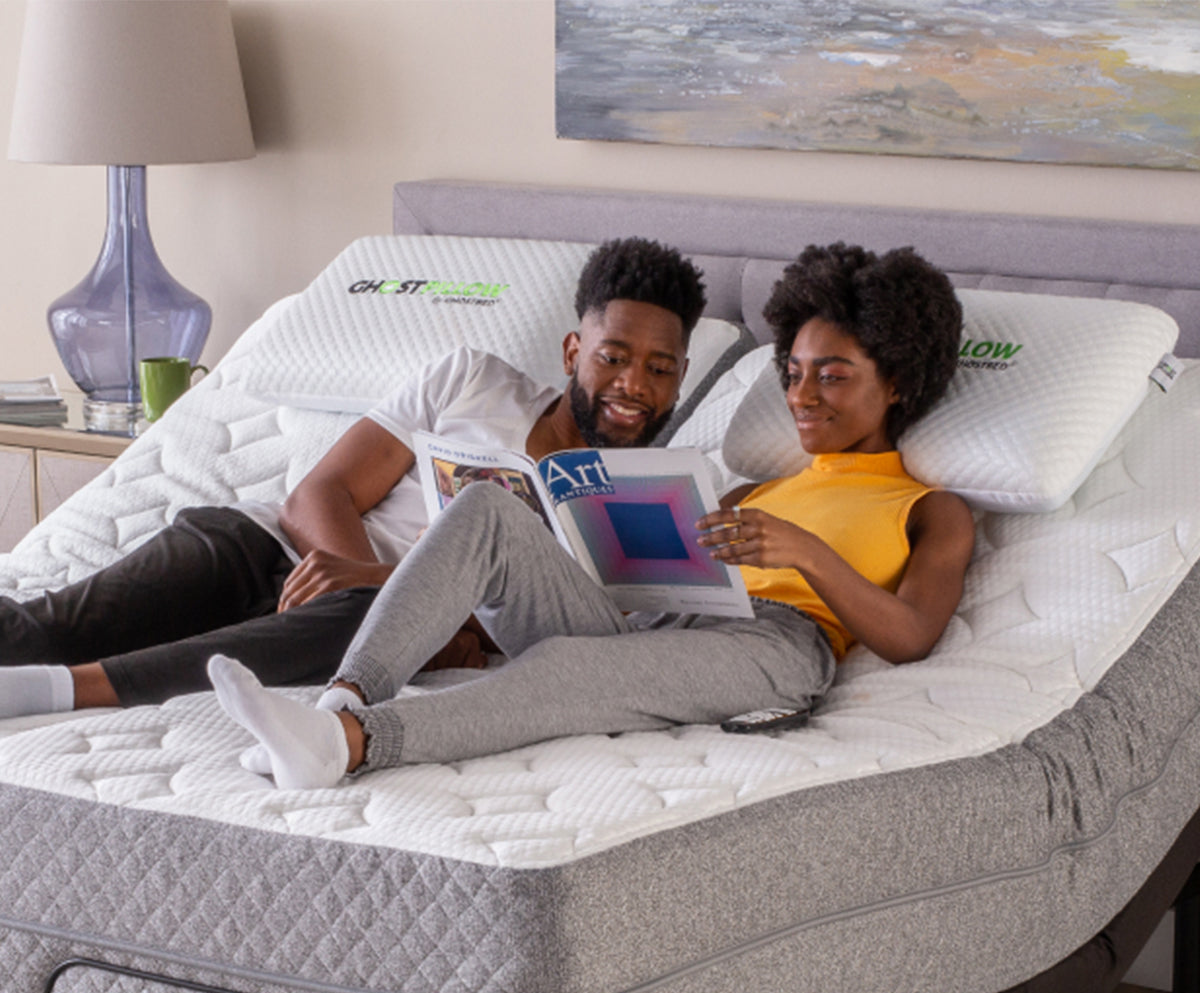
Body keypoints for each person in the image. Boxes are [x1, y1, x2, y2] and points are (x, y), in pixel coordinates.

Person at [208, 242, 977, 790]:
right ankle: (344, 698)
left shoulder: (930, 508)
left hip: (778, 646)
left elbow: (910, 637)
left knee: (569, 669)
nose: (803, 397)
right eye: (796, 374)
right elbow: (657, 588)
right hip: (663, 626)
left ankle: (350, 746)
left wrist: (806, 553)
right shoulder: (749, 491)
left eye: (833, 377)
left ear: (899, 382)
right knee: (486, 510)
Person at [0, 237, 706, 719]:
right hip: (259, 547)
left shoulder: (641, 505)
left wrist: (381, 592)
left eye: (660, 368)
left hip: (361, 619)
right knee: (37, 629)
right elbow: (320, 493)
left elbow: (545, 635)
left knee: (372, 622)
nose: (633, 385)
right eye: (614, 357)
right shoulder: (471, 380)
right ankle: (42, 667)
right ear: (573, 350)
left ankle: (62, 694)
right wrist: (351, 566)